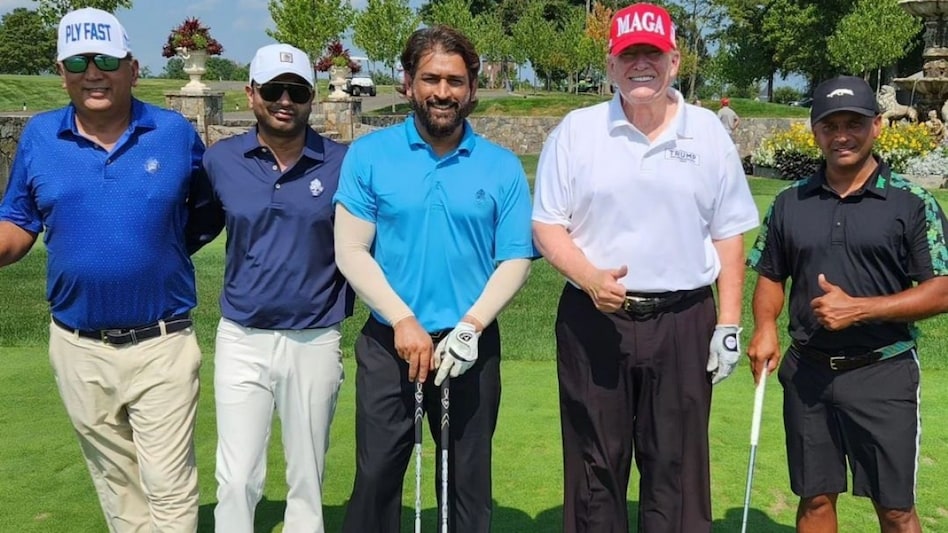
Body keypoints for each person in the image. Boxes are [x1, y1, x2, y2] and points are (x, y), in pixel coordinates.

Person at [531, 3, 760, 532]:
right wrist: (589, 277)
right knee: (595, 465)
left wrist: (728, 324)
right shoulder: (577, 131)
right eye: (628, 54)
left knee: (677, 468)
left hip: (684, 319)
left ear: (674, 61)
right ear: (611, 65)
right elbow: (547, 225)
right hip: (594, 318)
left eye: (652, 55)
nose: (641, 66)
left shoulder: (706, 133)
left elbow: (729, 232)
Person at [0, 8, 211, 532]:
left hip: (161, 341)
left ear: (132, 67)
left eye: (106, 60)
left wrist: (154, 251)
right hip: (77, 345)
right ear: (61, 69)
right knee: (119, 491)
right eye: (78, 61)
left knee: (169, 485)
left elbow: (206, 214)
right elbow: (18, 225)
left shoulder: (173, 131)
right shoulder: (40, 137)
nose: (93, 72)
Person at [333, 25, 534, 533]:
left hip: (470, 345)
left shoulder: (502, 167)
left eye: (455, 80)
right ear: (406, 82)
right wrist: (402, 319)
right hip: (389, 343)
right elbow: (351, 250)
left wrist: (470, 327)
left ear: (472, 88)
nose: (442, 92)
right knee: (376, 479)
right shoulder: (370, 155)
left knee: (467, 486)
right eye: (430, 79)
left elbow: (514, 258)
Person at [747, 75, 948, 533]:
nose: (842, 135)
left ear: (877, 126)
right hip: (808, 372)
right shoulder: (789, 202)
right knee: (815, 499)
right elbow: (771, 274)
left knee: (895, 508)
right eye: (830, 124)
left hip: (884, 372)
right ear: (815, 131)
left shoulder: (912, 202)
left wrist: (860, 309)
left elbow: (942, 290)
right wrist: (764, 326)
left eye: (853, 123)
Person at [194, 44, 353, 533]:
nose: (285, 100)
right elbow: (190, 231)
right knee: (237, 475)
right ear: (251, 94)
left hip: (315, 337)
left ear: (311, 97)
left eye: (297, 90)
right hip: (242, 337)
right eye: (273, 89)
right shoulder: (221, 161)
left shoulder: (342, 162)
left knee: (307, 477)